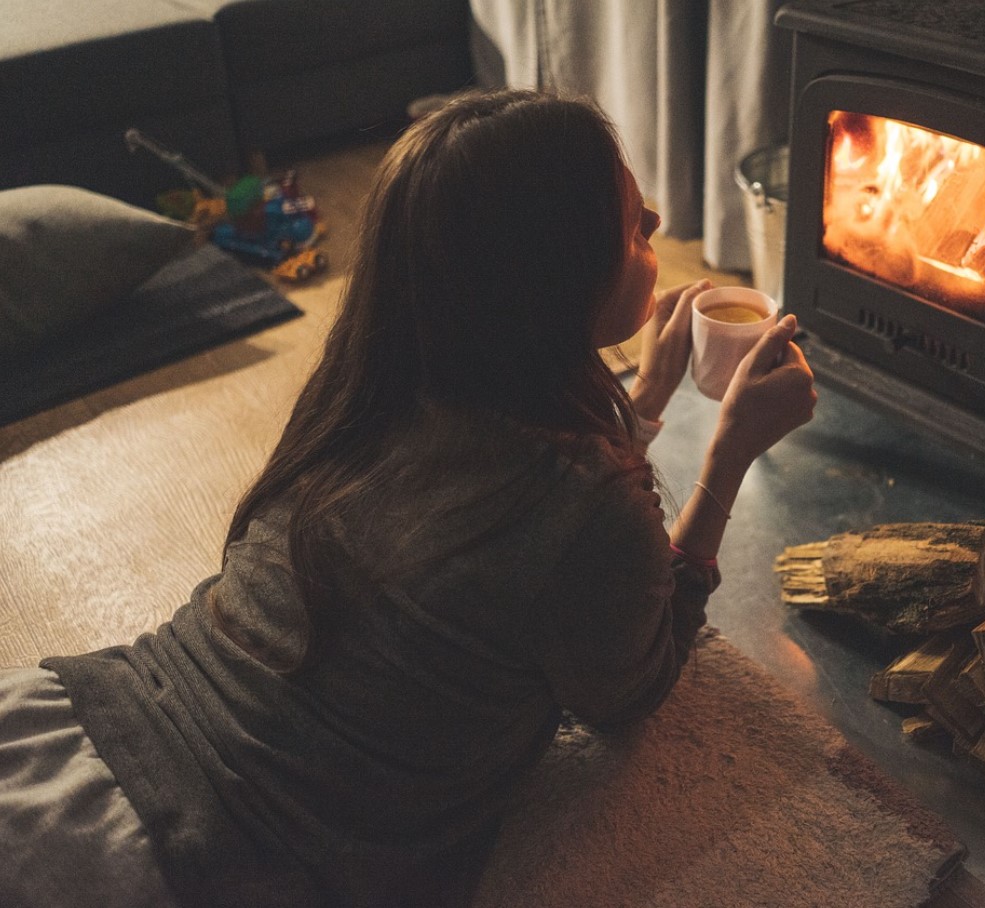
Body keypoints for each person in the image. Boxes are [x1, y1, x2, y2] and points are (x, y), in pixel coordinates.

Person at [0, 89, 816, 907]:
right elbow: (631, 691)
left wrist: (640, 405)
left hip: (82, 724)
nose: (658, 223)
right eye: (635, 225)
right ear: (553, 277)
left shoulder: (369, 390)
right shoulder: (589, 512)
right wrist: (729, 457)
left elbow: (504, 523)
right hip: (184, 857)